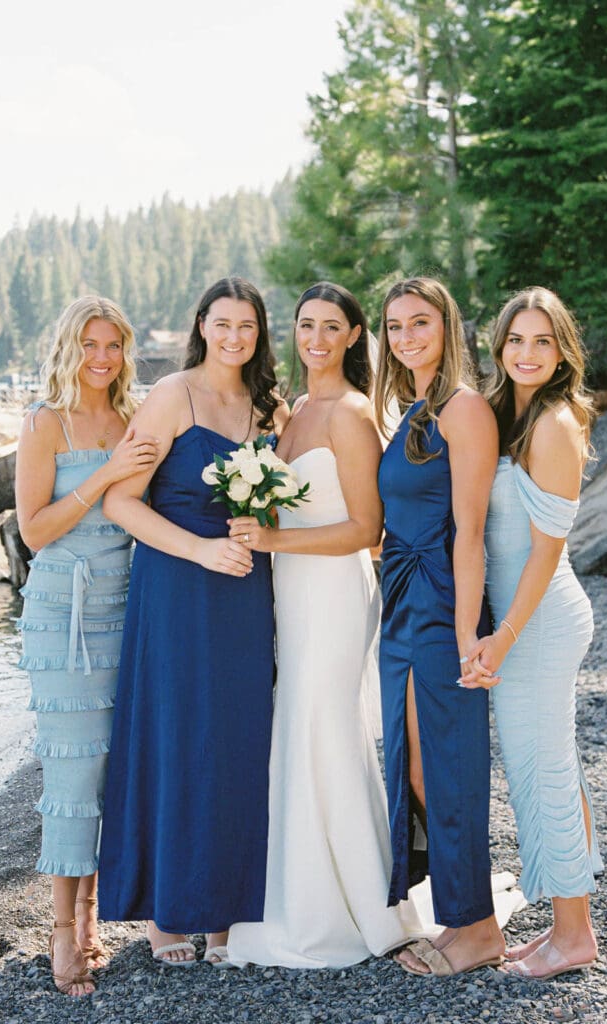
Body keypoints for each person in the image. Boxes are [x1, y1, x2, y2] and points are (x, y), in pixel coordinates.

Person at [226, 282, 427, 968]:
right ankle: (298, 895)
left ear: (352, 336)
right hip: (291, 590)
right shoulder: (294, 411)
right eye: (305, 325)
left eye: (330, 326)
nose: (315, 338)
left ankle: (361, 907)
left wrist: (272, 541)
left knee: (324, 723)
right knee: (298, 729)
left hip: (337, 591)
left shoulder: (349, 412)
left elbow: (367, 528)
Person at [97, 277, 286, 968]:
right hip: (177, 582)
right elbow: (121, 501)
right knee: (178, 733)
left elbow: (273, 508)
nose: (235, 337)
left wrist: (259, 524)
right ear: (202, 324)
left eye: (247, 326)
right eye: (223, 323)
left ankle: (228, 904)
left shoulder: (266, 408)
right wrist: (201, 547)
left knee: (238, 738)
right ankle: (170, 914)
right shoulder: (171, 395)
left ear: (260, 333)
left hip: (242, 586)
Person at [15, 296, 158, 996]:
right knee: (72, 777)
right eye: (90, 346)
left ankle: (95, 916)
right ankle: (62, 934)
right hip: (59, 617)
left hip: (124, 609)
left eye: (113, 346)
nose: (102, 358)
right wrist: (102, 475)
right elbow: (34, 531)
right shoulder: (46, 423)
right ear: (69, 349)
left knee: (108, 772)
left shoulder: (135, 418)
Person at [461, 286, 603, 980]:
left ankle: (573, 936)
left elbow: (546, 552)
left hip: (540, 620)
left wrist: (505, 635)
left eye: (542, 341)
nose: (527, 353)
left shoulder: (554, 422)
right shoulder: (501, 414)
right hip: (523, 619)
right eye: (516, 339)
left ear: (561, 350)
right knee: (549, 766)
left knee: (541, 768)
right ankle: (566, 925)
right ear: (499, 346)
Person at [374, 276, 505, 977]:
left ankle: (480, 927)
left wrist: (464, 637)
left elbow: (471, 531)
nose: (406, 338)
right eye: (394, 327)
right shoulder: (412, 411)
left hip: (441, 600)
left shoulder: (463, 410)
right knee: (414, 761)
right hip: (401, 601)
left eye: (418, 323)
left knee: (445, 763)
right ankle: (462, 913)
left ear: (446, 327)